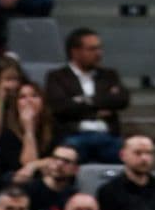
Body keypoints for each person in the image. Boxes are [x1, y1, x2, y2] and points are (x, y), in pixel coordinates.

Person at [46, 28, 129, 163]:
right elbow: (60, 107)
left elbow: (122, 100)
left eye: (99, 48)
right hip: (75, 136)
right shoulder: (57, 77)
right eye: (92, 49)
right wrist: (100, 105)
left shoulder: (109, 75)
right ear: (75, 52)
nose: (99, 53)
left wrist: (83, 101)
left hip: (107, 136)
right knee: (65, 158)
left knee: (130, 156)